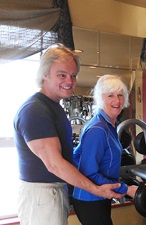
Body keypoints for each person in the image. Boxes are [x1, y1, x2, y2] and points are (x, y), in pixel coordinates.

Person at [13, 44, 125, 225]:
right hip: (42, 193)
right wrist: (96, 189)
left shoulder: (53, 107)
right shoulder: (35, 110)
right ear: (44, 74)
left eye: (73, 75)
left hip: (55, 190)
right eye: (62, 75)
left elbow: (71, 157)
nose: (70, 81)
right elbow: (55, 165)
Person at [72, 75, 138, 225]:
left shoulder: (108, 125)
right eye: (110, 95)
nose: (117, 100)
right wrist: (125, 189)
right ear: (100, 98)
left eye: (120, 95)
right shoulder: (98, 129)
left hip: (101, 196)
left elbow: (76, 156)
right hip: (90, 199)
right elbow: (89, 172)